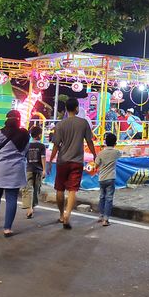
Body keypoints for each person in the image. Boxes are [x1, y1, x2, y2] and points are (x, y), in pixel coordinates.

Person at [47, 98, 97, 229]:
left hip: (62, 161)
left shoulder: (60, 125)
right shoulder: (83, 123)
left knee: (59, 188)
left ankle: (61, 214)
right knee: (72, 190)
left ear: (66, 109)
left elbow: (56, 146)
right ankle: (68, 214)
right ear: (76, 108)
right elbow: (90, 142)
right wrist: (95, 155)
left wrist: (51, 160)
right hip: (76, 161)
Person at [0, 110, 30, 237]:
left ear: (7, 119)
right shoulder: (25, 135)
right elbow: (26, 152)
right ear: (19, 120)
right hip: (16, 170)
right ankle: (7, 228)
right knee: (12, 198)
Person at [95, 132, 121, 226]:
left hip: (101, 178)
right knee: (109, 198)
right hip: (111, 178)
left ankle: (100, 216)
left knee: (102, 197)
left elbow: (96, 164)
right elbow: (122, 154)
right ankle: (106, 219)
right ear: (115, 143)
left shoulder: (101, 153)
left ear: (105, 142)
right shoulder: (116, 152)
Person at [23, 126, 46, 219]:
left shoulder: (27, 145)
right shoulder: (41, 146)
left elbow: (23, 157)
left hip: (28, 169)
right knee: (36, 188)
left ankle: (29, 208)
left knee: (28, 188)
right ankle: (32, 206)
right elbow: (43, 158)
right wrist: (44, 170)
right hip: (38, 170)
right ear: (40, 135)